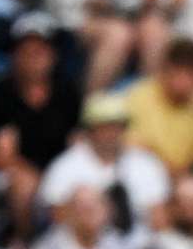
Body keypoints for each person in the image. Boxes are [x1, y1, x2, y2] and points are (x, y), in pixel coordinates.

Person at [39, 91, 170, 228]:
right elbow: (56, 217)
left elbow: (159, 217)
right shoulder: (65, 166)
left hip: (137, 244)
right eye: (104, 127)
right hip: (84, 244)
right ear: (89, 130)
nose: (111, 134)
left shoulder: (146, 163)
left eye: (116, 127)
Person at [0, 11, 81, 172]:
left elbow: (77, 144)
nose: (33, 58)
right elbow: (1, 155)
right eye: (25, 51)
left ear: (54, 55)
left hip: (59, 173)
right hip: (10, 174)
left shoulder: (68, 92)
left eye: (40, 51)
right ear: (13, 56)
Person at [126, 37, 193, 173]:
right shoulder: (140, 95)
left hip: (181, 182)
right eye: (178, 68)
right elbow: (133, 146)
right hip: (145, 174)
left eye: (191, 72)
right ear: (165, 68)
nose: (183, 78)